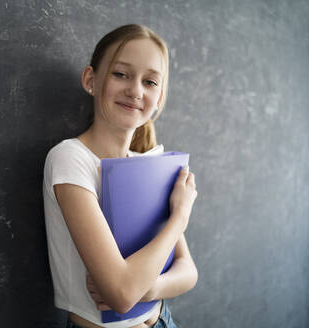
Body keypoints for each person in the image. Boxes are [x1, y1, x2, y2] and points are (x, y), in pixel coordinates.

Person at [43, 24, 198, 328]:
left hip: (163, 320)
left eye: (150, 81)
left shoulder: (150, 165)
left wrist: (148, 289)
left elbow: (189, 272)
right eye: (120, 74)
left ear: (160, 98)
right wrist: (179, 216)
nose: (135, 90)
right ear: (91, 80)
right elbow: (121, 294)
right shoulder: (70, 159)